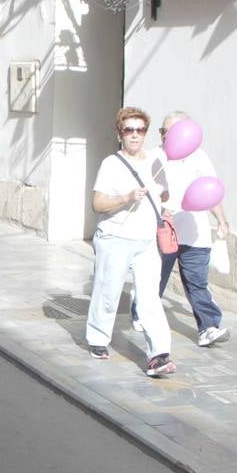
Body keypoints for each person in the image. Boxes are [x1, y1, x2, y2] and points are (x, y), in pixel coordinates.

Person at [85, 107, 177, 377]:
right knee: (108, 292)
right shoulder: (111, 164)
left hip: (147, 241)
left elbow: (163, 193)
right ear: (119, 133)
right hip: (115, 238)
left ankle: (159, 354)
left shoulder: (156, 162)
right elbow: (97, 204)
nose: (135, 135)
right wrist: (126, 198)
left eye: (140, 130)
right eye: (129, 130)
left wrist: (163, 207)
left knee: (150, 298)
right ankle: (98, 339)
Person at [136, 112, 231, 347]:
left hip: (195, 232)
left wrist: (222, 220)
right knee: (156, 278)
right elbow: (145, 192)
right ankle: (140, 311)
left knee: (197, 282)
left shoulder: (200, 157)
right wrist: (160, 209)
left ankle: (208, 327)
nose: (165, 135)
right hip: (164, 230)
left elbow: (210, 191)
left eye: (169, 131)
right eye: (162, 131)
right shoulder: (154, 156)